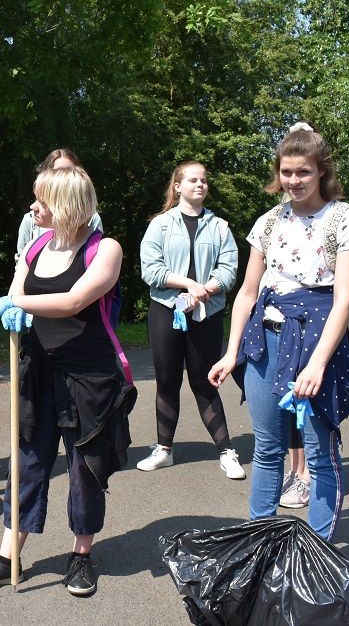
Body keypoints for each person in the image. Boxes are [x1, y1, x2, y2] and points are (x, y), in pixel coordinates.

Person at [0, 165, 136, 596]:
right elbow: (19, 286)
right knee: (28, 464)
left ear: (67, 206)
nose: (33, 207)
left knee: (84, 469)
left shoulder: (105, 249)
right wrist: (14, 301)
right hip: (38, 369)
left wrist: (17, 301)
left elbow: (76, 301)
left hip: (90, 375)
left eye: (42, 200)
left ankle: (80, 556)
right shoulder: (35, 246)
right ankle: (6, 557)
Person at [208, 122, 349, 541]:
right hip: (266, 339)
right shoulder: (267, 221)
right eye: (287, 172)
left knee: (319, 453)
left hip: (318, 340)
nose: (293, 181)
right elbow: (245, 293)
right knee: (267, 448)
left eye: (303, 172)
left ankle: (318, 551)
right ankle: (257, 541)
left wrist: (317, 364)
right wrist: (230, 352)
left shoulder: (343, 218)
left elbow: (344, 301)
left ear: (322, 173)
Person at [137, 161, 244, 479]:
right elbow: (150, 269)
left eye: (204, 180)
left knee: (204, 382)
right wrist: (188, 285)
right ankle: (164, 450)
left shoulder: (220, 227)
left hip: (206, 315)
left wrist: (205, 290)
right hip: (166, 312)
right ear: (178, 186)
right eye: (193, 180)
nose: (200, 184)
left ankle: (227, 451)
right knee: (166, 382)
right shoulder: (160, 225)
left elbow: (228, 270)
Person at [14, 148, 102, 262]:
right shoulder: (31, 222)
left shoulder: (93, 221)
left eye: (69, 172)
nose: (63, 179)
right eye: (56, 173)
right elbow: (21, 262)